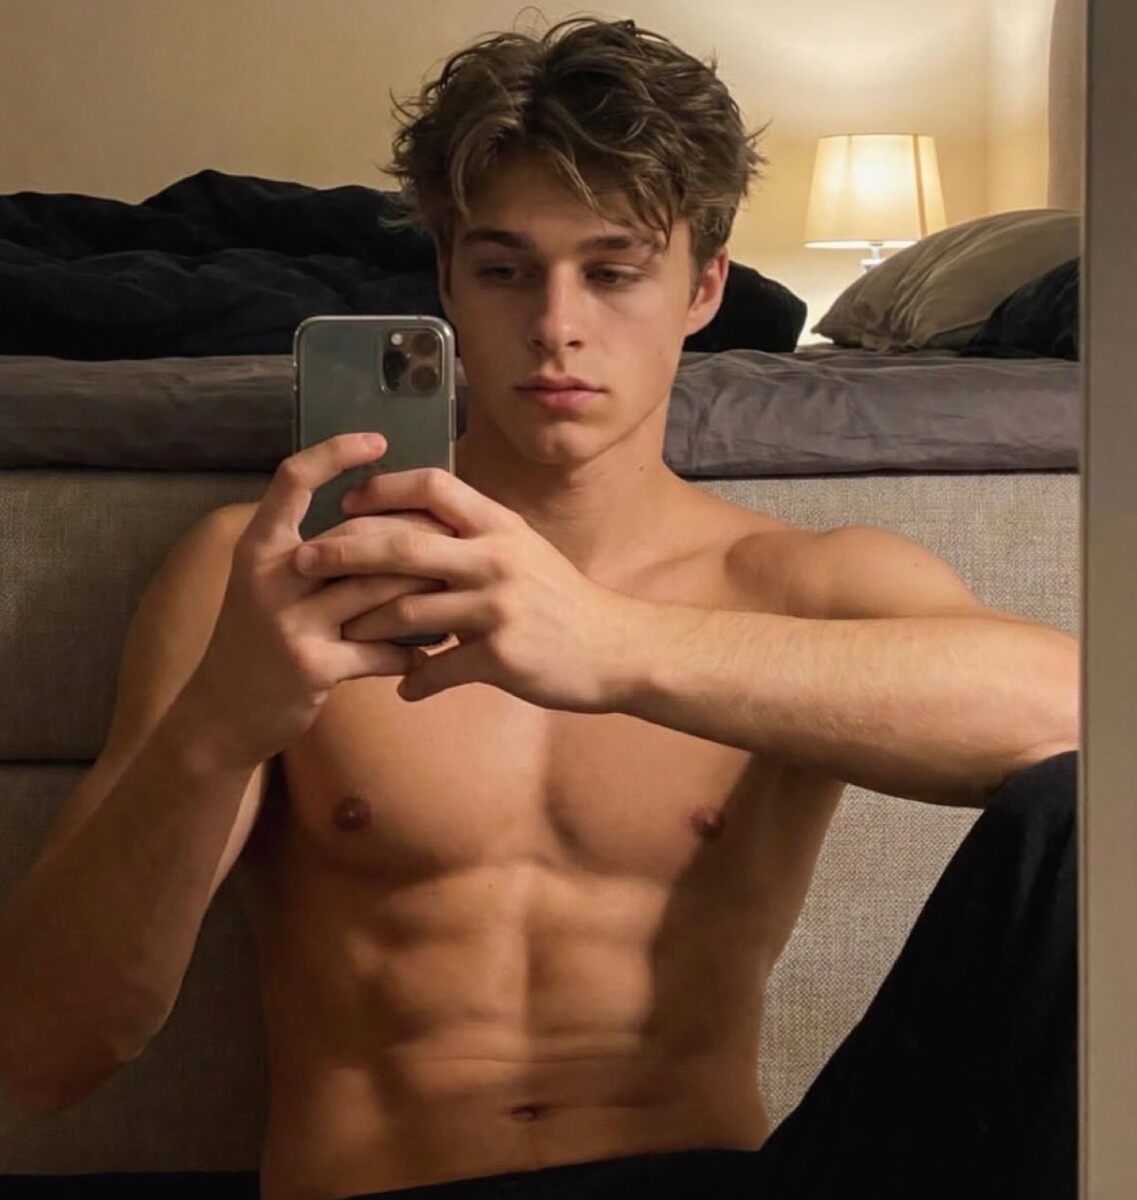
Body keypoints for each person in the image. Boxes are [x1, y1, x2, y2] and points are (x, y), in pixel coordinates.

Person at [0, 16, 1079, 1200]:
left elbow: (1082, 719)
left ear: (704, 287)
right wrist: (218, 729)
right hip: (392, 1186)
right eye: (505, 270)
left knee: (1084, 819)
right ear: (447, 284)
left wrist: (613, 644)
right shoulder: (261, 576)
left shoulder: (800, 586)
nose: (556, 325)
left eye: (613, 272)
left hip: (710, 1176)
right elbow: (41, 1055)